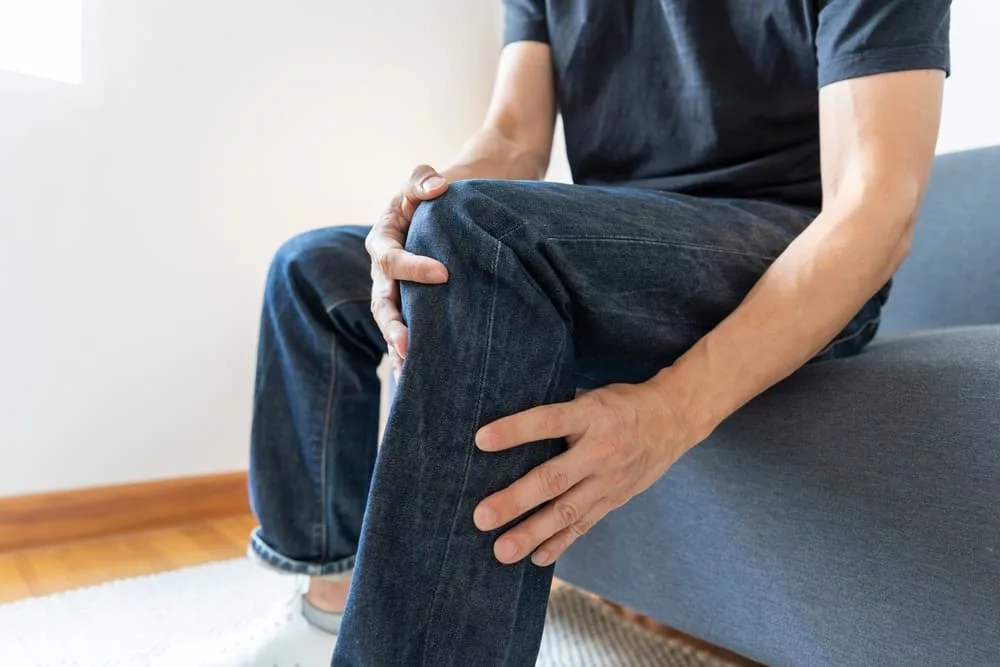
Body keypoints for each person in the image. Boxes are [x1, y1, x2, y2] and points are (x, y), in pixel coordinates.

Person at [239, 0, 951, 665]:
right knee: (315, 273)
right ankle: (324, 610)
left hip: (792, 240)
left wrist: (668, 413)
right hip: (619, 236)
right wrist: (420, 207)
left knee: (484, 233)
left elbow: (873, 207)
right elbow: (515, 135)